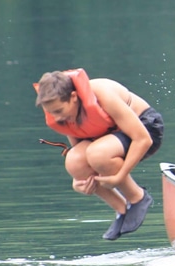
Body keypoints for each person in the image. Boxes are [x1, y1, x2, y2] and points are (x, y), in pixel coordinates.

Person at [34, 68, 164, 240]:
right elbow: (79, 150)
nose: (56, 118)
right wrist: (78, 181)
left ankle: (137, 197)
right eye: (50, 112)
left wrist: (120, 177)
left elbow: (143, 139)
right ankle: (121, 209)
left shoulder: (102, 94)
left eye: (58, 111)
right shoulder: (65, 116)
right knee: (74, 161)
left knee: (98, 154)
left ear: (73, 97)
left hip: (146, 129)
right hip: (108, 140)